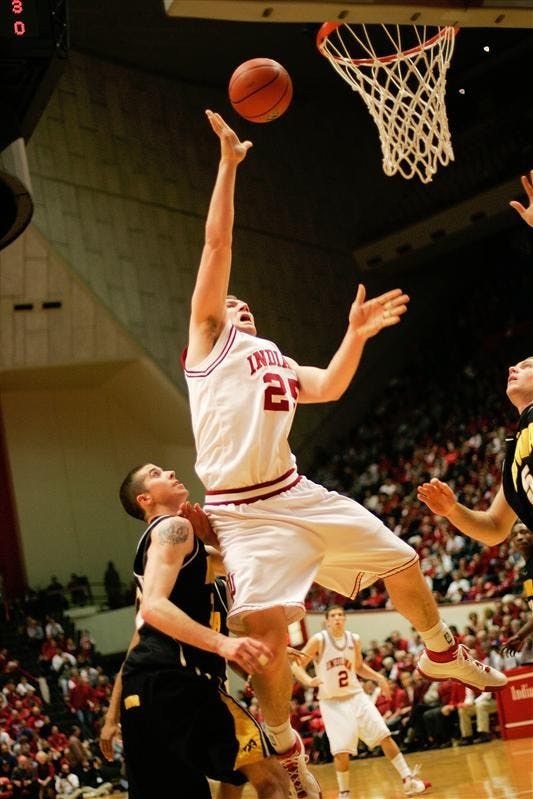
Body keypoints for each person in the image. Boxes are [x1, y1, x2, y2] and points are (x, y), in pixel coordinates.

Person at [182, 109, 507, 797]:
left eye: (242, 304)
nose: (234, 304)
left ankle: (441, 654)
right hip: (243, 513)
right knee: (268, 647)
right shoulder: (208, 343)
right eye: (226, 301)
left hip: (296, 490)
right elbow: (216, 247)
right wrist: (229, 166)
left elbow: (327, 385)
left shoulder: (271, 358)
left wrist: (354, 333)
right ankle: (282, 742)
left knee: (406, 561)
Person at [100, 463, 289, 799]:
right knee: (272, 779)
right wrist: (223, 645)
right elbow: (153, 608)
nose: (170, 472)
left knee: (217, 784)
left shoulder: (170, 555)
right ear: (145, 499)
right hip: (179, 680)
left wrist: (112, 714)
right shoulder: (174, 527)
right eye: (157, 474)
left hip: (143, 689)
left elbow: (138, 639)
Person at [291, 606, 430, 798]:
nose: (338, 618)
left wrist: (379, 678)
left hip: (356, 696)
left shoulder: (353, 639)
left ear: (345, 619)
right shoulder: (319, 640)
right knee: (341, 751)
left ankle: (408, 780)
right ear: (327, 621)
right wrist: (308, 681)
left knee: (384, 735)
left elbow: (358, 667)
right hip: (332, 703)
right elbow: (296, 664)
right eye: (333, 616)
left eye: (341, 615)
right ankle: (344, 794)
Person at [417, 355, 532, 541]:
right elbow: (495, 527)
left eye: (526, 366)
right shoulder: (514, 457)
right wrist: (452, 510)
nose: (512, 368)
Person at [501, 524, 533, 658]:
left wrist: (521, 635)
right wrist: (522, 636)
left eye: (524, 532)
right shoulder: (526, 572)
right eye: (515, 535)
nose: (519, 537)